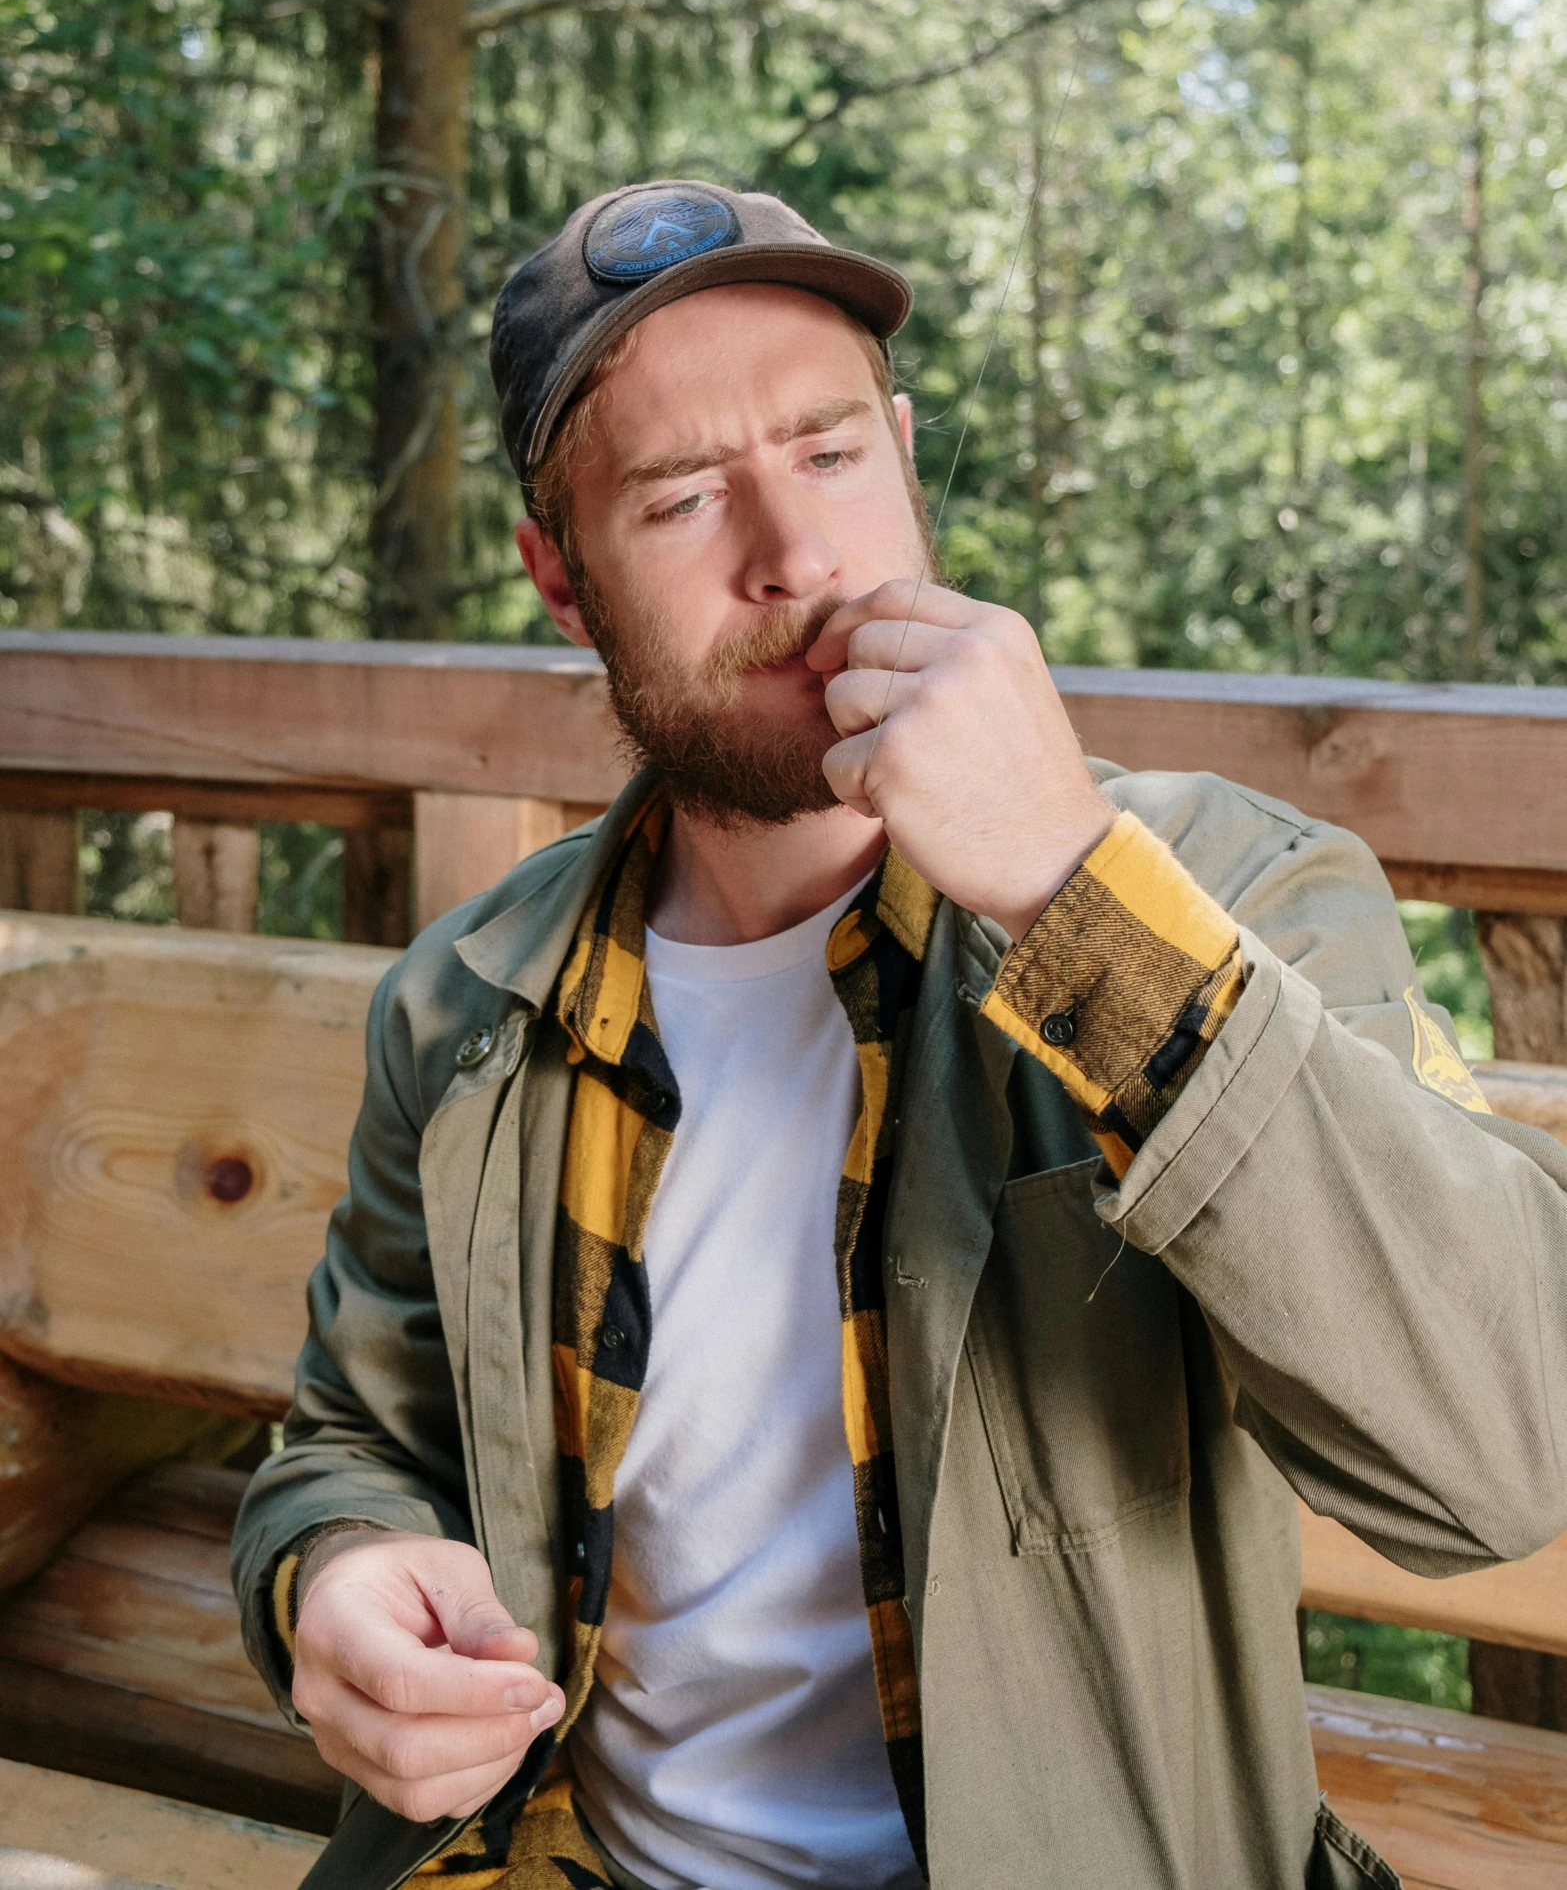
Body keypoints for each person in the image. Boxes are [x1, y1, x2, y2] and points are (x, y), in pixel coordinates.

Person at [233, 179, 1567, 1890]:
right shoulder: (471, 997)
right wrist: (333, 1580)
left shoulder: (1231, 888)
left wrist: (1071, 885)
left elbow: (1503, 1458)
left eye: (831, 451)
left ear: (907, 452)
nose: (792, 551)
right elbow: (353, 1444)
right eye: (683, 495)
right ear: (560, 579)